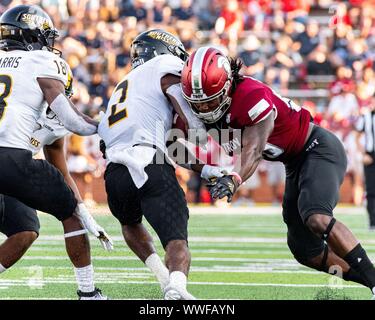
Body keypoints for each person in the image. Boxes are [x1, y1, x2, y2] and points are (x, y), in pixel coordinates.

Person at [180, 46, 375, 298]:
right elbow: (175, 146)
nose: (205, 110)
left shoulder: (251, 95)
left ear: (228, 85)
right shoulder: (200, 104)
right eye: (199, 103)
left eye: (211, 101)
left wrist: (234, 178)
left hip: (317, 148)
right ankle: (371, 278)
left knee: (316, 217)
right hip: (294, 162)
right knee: (304, 249)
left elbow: (253, 148)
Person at [98, 29, 224, 300]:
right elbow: (176, 94)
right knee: (177, 238)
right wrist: (197, 127)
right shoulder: (163, 65)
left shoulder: (125, 88)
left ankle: (165, 279)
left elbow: (170, 145)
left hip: (114, 172)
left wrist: (206, 169)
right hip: (149, 161)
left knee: (130, 223)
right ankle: (177, 288)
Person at [0, 4, 112, 299]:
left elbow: (61, 171)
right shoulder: (43, 63)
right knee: (69, 217)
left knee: (24, 227)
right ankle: (88, 293)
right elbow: (74, 120)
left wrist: (88, 215)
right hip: (10, 158)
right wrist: (106, 128)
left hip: (10, 162)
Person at [355, 99, 375, 230]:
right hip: (370, 155)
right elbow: (356, 136)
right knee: (371, 189)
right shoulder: (365, 116)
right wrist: (363, 154)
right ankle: (373, 221)